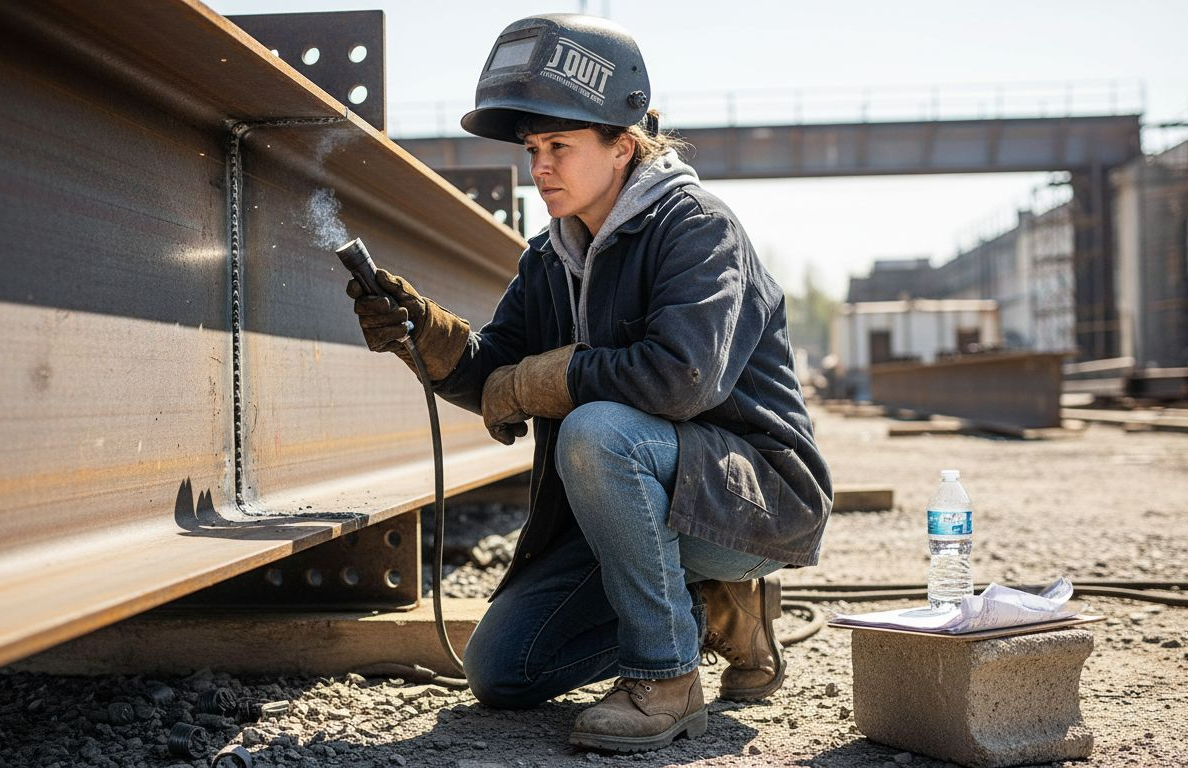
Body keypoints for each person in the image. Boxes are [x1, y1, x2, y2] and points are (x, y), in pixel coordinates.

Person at [346, 13, 832, 754]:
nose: (539, 167)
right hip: (649, 496)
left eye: (560, 148)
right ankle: (712, 611)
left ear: (623, 146)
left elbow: (681, 379)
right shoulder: (551, 256)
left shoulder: (698, 228)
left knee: (595, 429)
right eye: (533, 149)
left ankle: (665, 677)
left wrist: (556, 377)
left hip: (754, 500)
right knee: (502, 671)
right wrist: (430, 342)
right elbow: (494, 375)